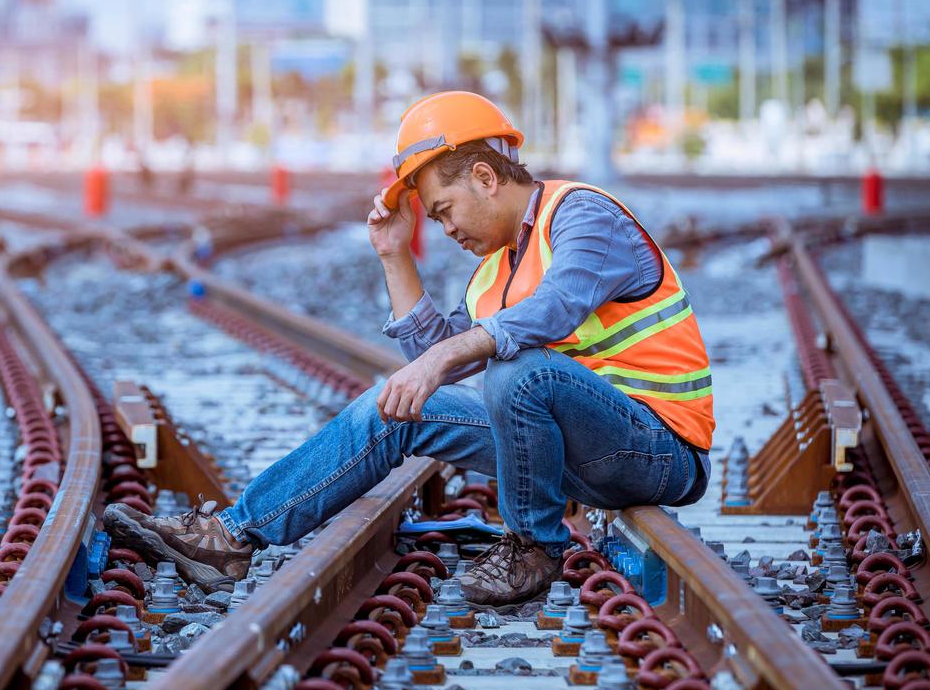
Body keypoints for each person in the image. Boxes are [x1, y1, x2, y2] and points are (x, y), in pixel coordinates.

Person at [105, 91, 713, 605]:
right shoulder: (495, 271)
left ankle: (533, 548)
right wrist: (395, 255)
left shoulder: (583, 216)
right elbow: (433, 359)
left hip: (658, 450)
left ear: (483, 175)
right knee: (396, 406)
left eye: (444, 211)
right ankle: (232, 537)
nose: (446, 231)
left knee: (517, 373)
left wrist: (442, 359)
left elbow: (552, 309)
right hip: (577, 451)